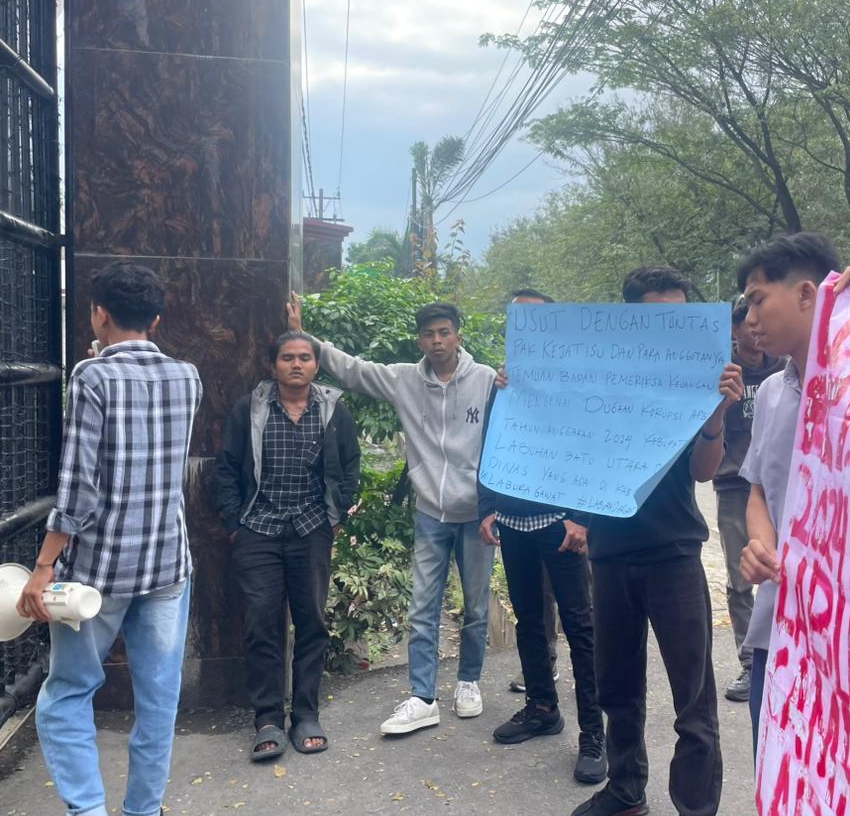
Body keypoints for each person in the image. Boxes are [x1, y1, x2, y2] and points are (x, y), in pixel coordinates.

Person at [21, 263, 201, 816]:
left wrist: (44, 566)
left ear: (99, 313)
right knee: (159, 698)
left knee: (68, 692)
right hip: (167, 564)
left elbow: (78, 488)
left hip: (97, 573)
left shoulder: (91, 377)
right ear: (156, 318)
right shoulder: (189, 377)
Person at [567, 266, 743, 816]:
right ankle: (625, 788)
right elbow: (570, 444)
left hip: (674, 555)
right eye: (659, 314)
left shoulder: (698, 380)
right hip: (611, 554)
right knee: (616, 686)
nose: (673, 325)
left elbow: (703, 471)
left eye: (681, 315)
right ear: (632, 320)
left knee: (693, 700)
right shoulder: (600, 380)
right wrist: (525, 388)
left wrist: (715, 416)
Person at [288, 296, 496, 733]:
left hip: (477, 514)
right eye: (429, 334)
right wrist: (306, 337)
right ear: (419, 340)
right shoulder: (404, 380)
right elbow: (354, 370)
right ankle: (423, 696)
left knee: (477, 607)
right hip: (431, 513)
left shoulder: (486, 380)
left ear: (458, 336)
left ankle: (468, 681)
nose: (437, 341)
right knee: (423, 607)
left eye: (444, 332)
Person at [734, 235, 850, 816]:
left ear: (806, 293)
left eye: (757, 299)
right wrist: (759, 544)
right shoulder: (770, 393)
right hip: (781, 630)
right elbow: (758, 490)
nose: (749, 317)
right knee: (783, 786)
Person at [210, 332, 361, 762]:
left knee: (311, 621)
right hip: (258, 529)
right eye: (287, 358)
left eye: (305, 358)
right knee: (261, 623)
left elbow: (351, 465)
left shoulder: (334, 411)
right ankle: (268, 719)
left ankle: (307, 715)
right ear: (272, 365)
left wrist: (337, 515)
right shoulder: (250, 409)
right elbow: (226, 468)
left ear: (316, 365)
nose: (296, 364)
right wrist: (235, 524)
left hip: (312, 530)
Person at [478, 289, 605, 785]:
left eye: (535, 318)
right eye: (517, 319)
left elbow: (595, 449)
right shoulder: (504, 382)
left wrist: (582, 518)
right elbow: (491, 443)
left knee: (580, 626)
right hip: (514, 522)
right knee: (530, 620)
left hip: (560, 523)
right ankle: (542, 708)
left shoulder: (577, 380)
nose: (526, 326)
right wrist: (487, 507)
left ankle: (594, 732)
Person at [717, 297, 785, 702]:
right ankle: (749, 662)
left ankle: (783, 651)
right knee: (740, 577)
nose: (755, 327)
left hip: (778, 487)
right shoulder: (723, 370)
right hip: (733, 486)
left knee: (782, 571)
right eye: (747, 321)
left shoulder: (783, 368)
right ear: (734, 330)